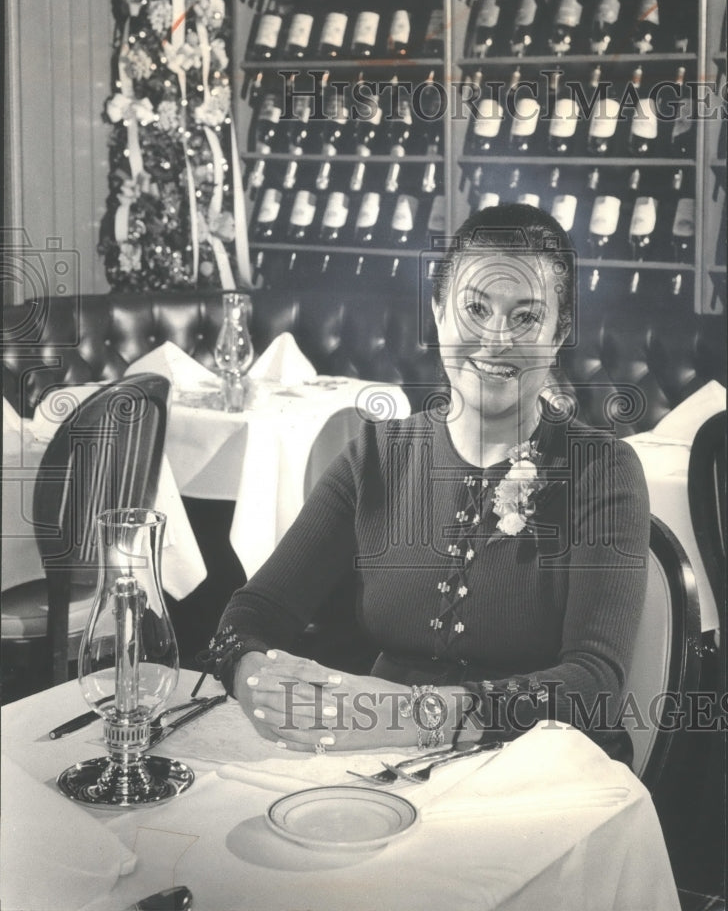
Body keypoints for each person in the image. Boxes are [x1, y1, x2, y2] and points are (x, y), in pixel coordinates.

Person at [206, 203, 650, 760]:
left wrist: (398, 714)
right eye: (475, 309)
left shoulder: (603, 470)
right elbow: (251, 616)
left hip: (542, 768)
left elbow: (594, 683)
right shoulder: (374, 455)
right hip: (384, 761)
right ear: (438, 313)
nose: (495, 339)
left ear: (559, 334)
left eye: (526, 317)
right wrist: (261, 685)